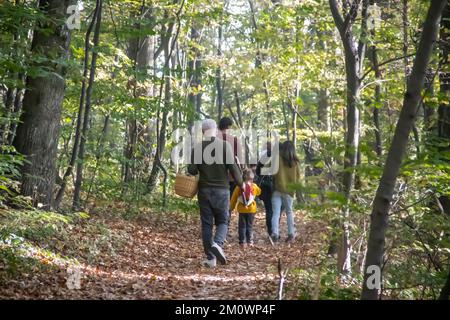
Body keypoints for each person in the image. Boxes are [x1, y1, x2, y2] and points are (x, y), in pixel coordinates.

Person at [188, 119, 244, 268]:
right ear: (215, 131)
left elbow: (192, 170)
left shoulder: (198, 147)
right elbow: (233, 168)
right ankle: (218, 244)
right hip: (222, 190)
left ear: (202, 132)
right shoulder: (225, 146)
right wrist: (241, 184)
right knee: (222, 221)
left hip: (204, 190)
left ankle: (210, 258)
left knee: (207, 224)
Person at [217, 117, 244, 237]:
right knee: (228, 203)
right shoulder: (234, 140)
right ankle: (224, 227)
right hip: (231, 176)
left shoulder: (213, 139)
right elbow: (241, 161)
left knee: (217, 202)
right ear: (229, 126)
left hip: (216, 176)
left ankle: (219, 226)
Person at [271, 141, 301, 243]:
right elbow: (298, 178)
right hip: (289, 191)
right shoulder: (295, 162)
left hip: (277, 189)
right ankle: (291, 234)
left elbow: (273, 173)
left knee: (276, 213)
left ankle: (275, 233)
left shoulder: (278, 159)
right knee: (289, 212)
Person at [230, 169, 261, 247]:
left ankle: (242, 242)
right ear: (252, 179)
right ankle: (250, 241)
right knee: (249, 225)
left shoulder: (238, 187)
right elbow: (259, 192)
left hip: (242, 210)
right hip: (251, 210)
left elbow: (233, 198)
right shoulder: (254, 186)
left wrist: (231, 208)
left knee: (242, 225)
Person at [256, 141, 275, 236]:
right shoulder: (276, 158)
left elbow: (257, 172)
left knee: (268, 209)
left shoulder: (262, 158)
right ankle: (274, 229)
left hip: (264, 185)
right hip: (273, 184)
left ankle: (270, 230)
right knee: (274, 209)